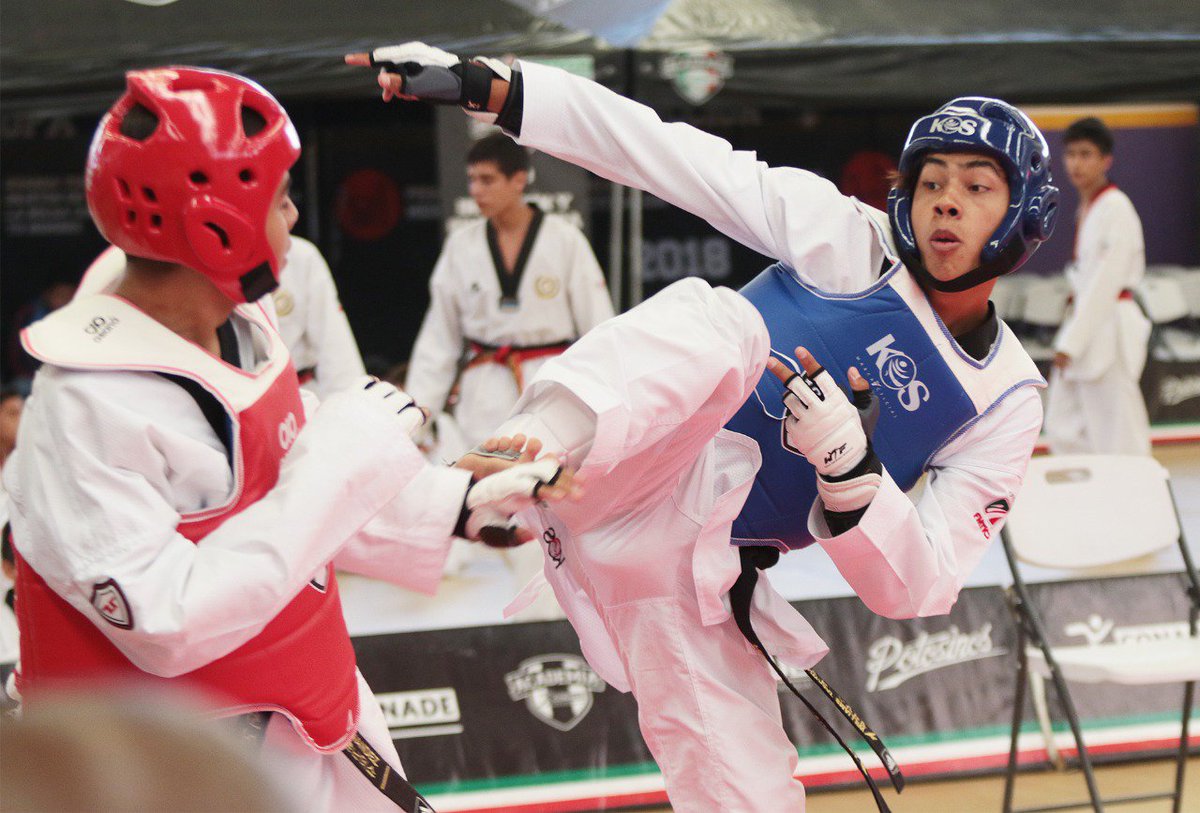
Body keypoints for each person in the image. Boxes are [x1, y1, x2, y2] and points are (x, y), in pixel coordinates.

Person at [349, 45, 1058, 810]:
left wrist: (852, 471)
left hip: (691, 578)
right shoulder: (846, 239)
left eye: (977, 186)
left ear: (1024, 215)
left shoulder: (1006, 400)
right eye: (931, 182)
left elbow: (920, 584)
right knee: (722, 320)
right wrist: (505, 89)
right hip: (623, 462)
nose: (945, 202)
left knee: (750, 794)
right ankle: (497, 475)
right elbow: (671, 154)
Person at [3, 66, 574, 813]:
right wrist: (342, 462)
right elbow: (169, 621)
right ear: (217, 223)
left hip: (306, 711)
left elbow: (289, 473)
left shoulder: (242, 326)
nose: (296, 217)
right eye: (279, 200)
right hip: (161, 772)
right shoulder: (80, 409)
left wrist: (459, 501)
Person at [405, 132, 613, 610]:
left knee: (545, 498)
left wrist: (603, 403)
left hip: (549, 380)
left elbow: (599, 327)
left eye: (487, 179)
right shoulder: (461, 245)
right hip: (484, 380)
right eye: (472, 180)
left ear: (519, 180)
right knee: (478, 492)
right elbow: (439, 337)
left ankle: (550, 605)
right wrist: (419, 410)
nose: (475, 190)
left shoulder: (565, 241)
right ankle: (476, 613)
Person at [1044, 116, 1151, 455]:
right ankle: (1091, 497)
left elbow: (1106, 281)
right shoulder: (1088, 207)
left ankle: (1139, 500)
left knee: (1119, 430)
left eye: (1086, 154)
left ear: (1106, 160)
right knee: (1064, 428)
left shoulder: (1116, 207)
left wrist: (1070, 342)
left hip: (1109, 325)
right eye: (1071, 154)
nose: (1076, 162)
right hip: (1088, 323)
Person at [273, 235, 368, 399]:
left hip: (298, 395)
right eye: (282, 207)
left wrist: (350, 412)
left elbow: (335, 351)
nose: (293, 215)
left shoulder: (300, 255)